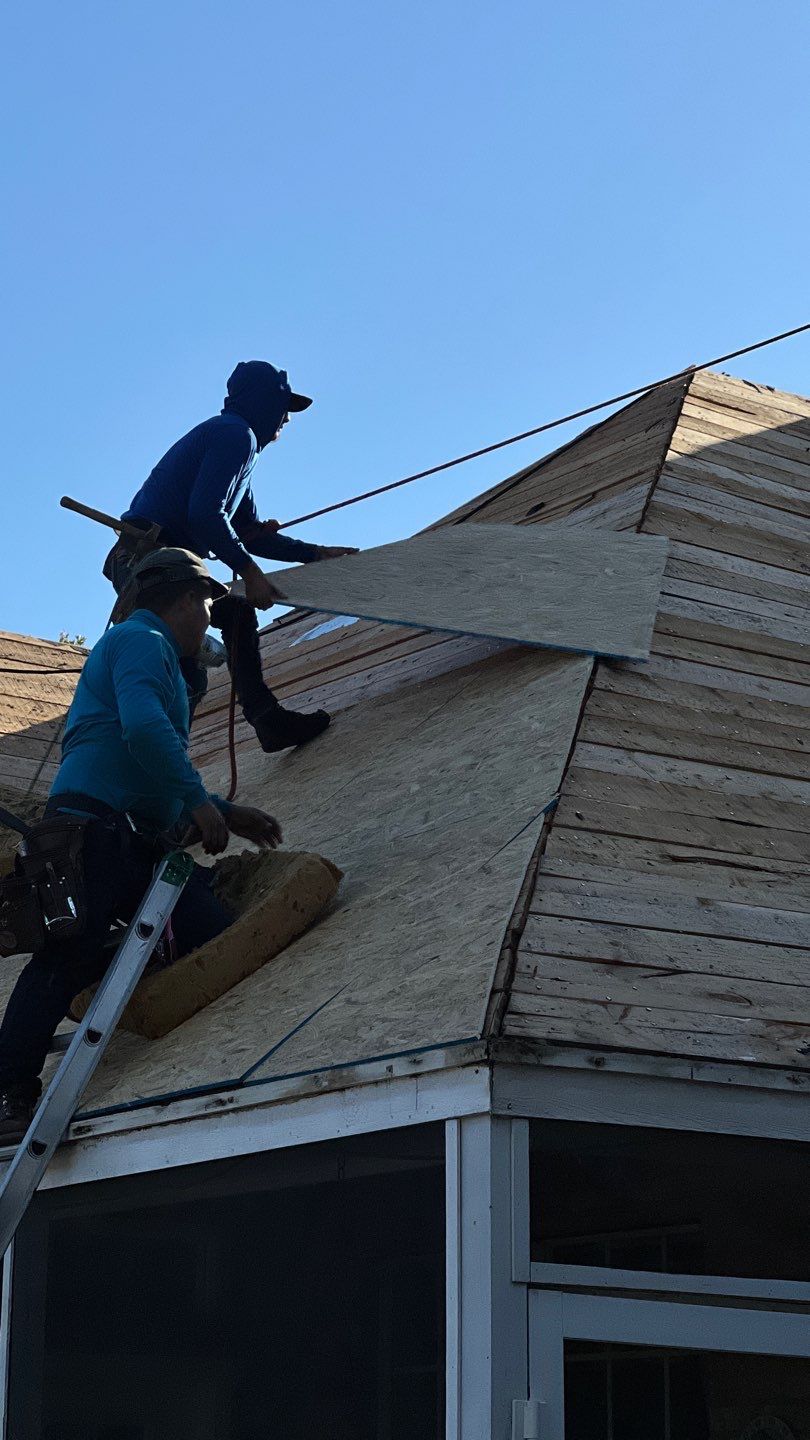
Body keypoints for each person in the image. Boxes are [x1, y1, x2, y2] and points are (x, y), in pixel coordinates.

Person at [0, 549, 283, 1143]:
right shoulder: (140, 641)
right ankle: (9, 1094)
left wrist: (225, 813)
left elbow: (150, 769)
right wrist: (203, 805)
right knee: (64, 960)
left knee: (205, 926)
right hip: (90, 831)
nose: (207, 619)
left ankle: (118, 954)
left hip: (122, 836)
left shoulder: (153, 654)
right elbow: (144, 730)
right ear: (184, 600)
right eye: (205, 606)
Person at [104, 359, 357, 752]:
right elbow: (205, 515)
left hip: (158, 563)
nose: (286, 420)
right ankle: (160, 773)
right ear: (261, 403)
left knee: (228, 624)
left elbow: (249, 535)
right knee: (188, 675)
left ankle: (264, 720)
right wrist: (250, 572)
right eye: (283, 408)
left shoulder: (240, 446)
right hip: (151, 560)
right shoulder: (234, 437)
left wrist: (315, 554)